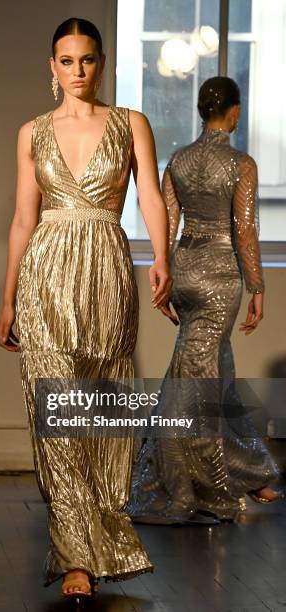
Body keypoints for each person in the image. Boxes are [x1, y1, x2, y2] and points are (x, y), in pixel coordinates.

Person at [0, 17, 172, 604]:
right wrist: (8, 296)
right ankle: (76, 555)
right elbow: (24, 218)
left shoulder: (130, 124)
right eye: (66, 61)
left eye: (87, 60)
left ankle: (104, 536)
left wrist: (161, 258)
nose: (77, 71)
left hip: (106, 276)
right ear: (52, 67)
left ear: (102, 63)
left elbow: (148, 192)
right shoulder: (31, 133)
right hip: (45, 278)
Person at [127, 76, 284, 526]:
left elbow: (168, 224)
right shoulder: (242, 163)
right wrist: (258, 286)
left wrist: (165, 275)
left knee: (218, 373)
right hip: (219, 276)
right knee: (196, 385)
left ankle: (250, 474)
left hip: (184, 269)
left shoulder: (177, 160)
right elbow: (245, 230)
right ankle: (192, 481)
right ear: (233, 111)